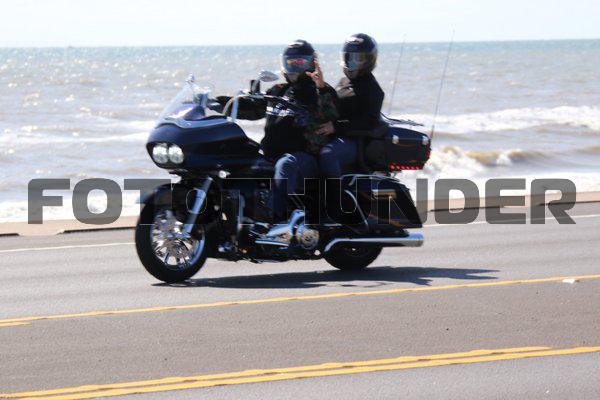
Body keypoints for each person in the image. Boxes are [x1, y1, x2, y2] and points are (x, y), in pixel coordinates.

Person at [218, 40, 338, 225]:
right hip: (270, 154)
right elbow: (254, 108)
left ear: (312, 64)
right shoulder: (278, 91)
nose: (295, 67)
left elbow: (331, 113)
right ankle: (228, 218)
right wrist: (219, 103)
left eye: (300, 62)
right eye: (291, 62)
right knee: (237, 158)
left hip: (304, 157)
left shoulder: (319, 92)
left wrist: (321, 87)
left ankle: (275, 219)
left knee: (286, 164)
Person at [315, 33, 384, 221]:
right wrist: (321, 86)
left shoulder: (372, 90)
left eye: (357, 59)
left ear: (368, 60)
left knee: (328, 154)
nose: (351, 63)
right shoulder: (343, 83)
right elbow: (334, 106)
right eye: (348, 57)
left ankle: (334, 208)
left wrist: (336, 127)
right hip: (337, 136)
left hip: (355, 142)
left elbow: (369, 122)